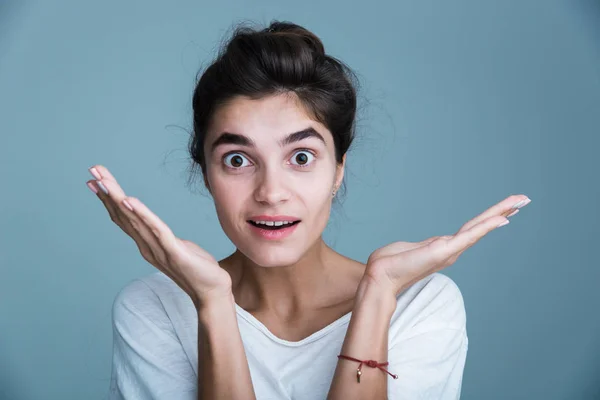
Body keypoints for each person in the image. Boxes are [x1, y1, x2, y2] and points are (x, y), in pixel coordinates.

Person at [86, 20, 530, 400]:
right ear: (205, 173)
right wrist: (213, 304)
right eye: (238, 160)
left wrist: (379, 294)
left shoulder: (421, 303)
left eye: (301, 157)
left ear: (339, 170)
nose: (271, 192)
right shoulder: (154, 307)